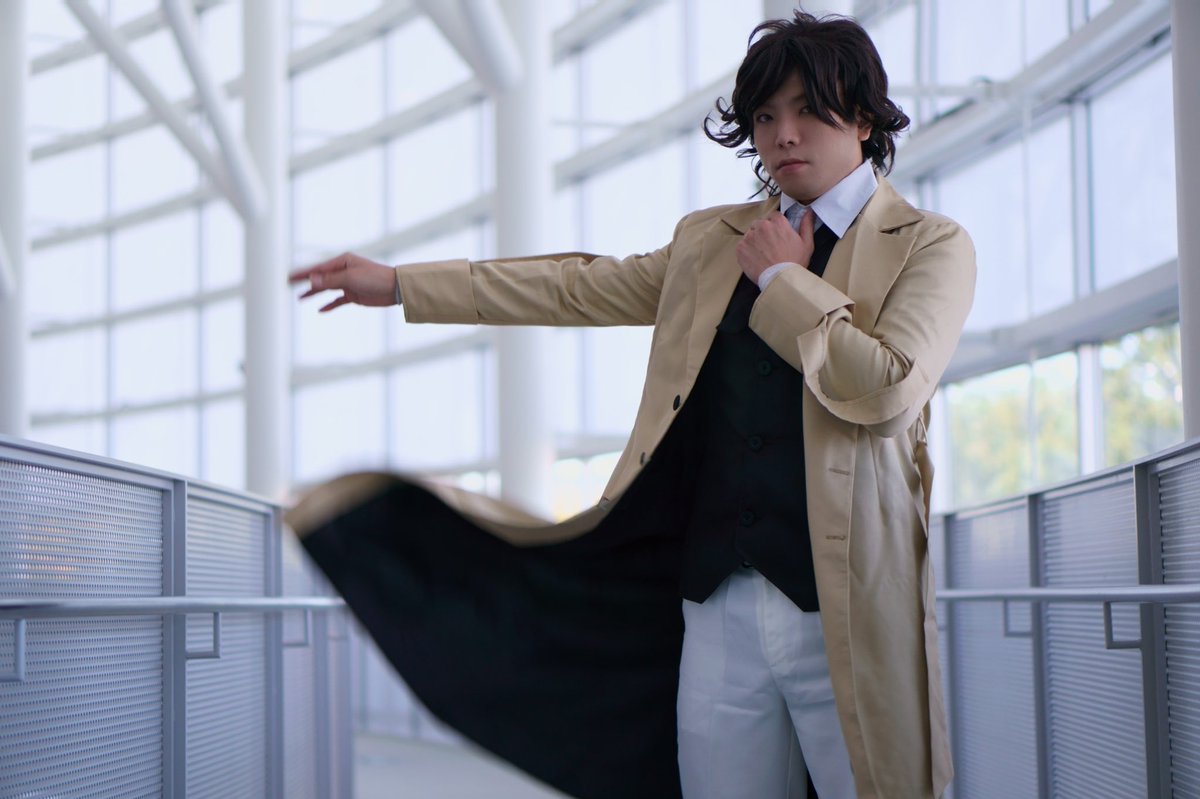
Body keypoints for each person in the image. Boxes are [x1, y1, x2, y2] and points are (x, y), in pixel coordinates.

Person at [288, 11, 975, 799]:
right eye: (764, 117)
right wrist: (402, 285)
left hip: (847, 607)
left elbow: (886, 389)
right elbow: (575, 286)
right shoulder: (714, 241)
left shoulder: (929, 244)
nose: (782, 135)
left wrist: (784, 282)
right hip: (713, 603)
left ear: (863, 119)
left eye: (808, 111)